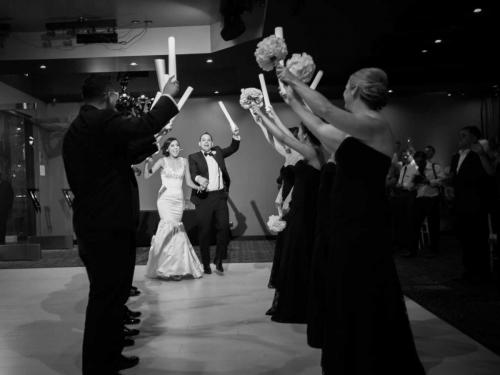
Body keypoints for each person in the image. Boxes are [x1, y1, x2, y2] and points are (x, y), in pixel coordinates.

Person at [278, 65, 424, 374]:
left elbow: (326, 111)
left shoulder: (376, 126)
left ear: (356, 90)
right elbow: (319, 127)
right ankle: (350, 359)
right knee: (344, 293)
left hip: (365, 226)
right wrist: (291, 100)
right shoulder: (355, 133)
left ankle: (372, 360)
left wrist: (291, 78)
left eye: (346, 85)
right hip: (343, 224)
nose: (343, 91)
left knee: (364, 291)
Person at [62, 74, 180, 375]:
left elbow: (124, 152)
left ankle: (110, 355)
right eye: (116, 96)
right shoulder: (98, 121)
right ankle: (99, 364)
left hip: (97, 223)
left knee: (112, 295)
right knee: (106, 296)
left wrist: (154, 138)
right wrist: (166, 97)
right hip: (106, 225)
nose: (118, 101)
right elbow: (141, 126)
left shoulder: (84, 127)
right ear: (109, 95)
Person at [253, 107, 322, 323]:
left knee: (296, 256)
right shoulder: (313, 152)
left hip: (303, 213)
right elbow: (280, 136)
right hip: (297, 209)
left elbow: (282, 135)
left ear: (304, 133)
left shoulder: (311, 153)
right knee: (291, 256)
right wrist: (263, 118)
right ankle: (292, 301)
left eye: (300, 130)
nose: (297, 134)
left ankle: (299, 304)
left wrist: (264, 114)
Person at [143, 137, 204, 280]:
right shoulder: (162, 161)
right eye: (172, 146)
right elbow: (146, 175)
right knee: (167, 228)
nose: (175, 148)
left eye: (177, 145)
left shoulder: (184, 162)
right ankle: (163, 267)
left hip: (178, 200)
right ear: (167, 149)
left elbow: (188, 182)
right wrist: (147, 163)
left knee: (176, 231)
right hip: (164, 200)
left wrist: (198, 187)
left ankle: (176, 268)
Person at [188, 129, 240, 274]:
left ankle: (218, 260)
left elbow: (233, 148)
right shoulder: (193, 157)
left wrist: (235, 136)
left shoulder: (218, 153)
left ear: (212, 143)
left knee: (224, 228)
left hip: (219, 197)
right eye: (203, 139)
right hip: (204, 199)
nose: (206, 141)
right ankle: (205, 263)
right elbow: (193, 173)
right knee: (204, 232)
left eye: (208, 140)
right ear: (199, 143)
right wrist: (199, 179)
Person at [449, 126, 494, 283]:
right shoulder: (456, 157)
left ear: (474, 138)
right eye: (460, 135)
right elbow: (455, 177)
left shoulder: (480, 154)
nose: (460, 138)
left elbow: (490, 173)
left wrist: (482, 154)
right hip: (460, 202)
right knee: (465, 238)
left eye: (464, 136)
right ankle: (468, 271)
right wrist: (449, 185)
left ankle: (482, 274)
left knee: (478, 239)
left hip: (477, 201)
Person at [408, 150, 445, 257]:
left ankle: (434, 249)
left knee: (433, 225)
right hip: (419, 199)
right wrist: (414, 183)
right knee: (414, 224)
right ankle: (412, 250)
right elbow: (409, 187)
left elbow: (443, 180)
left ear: (425, 160)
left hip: (432, 198)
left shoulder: (435, 167)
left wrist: (428, 181)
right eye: (416, 161)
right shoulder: (415, 170)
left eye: (420, 161)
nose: (418, 163)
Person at [0, 170, 14, 244]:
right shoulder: (6, 185)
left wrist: (8, 208)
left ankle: (2, 243)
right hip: (3, 210)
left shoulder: (6, 185)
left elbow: (10, 197)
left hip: (3, 211)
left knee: (2, 227)